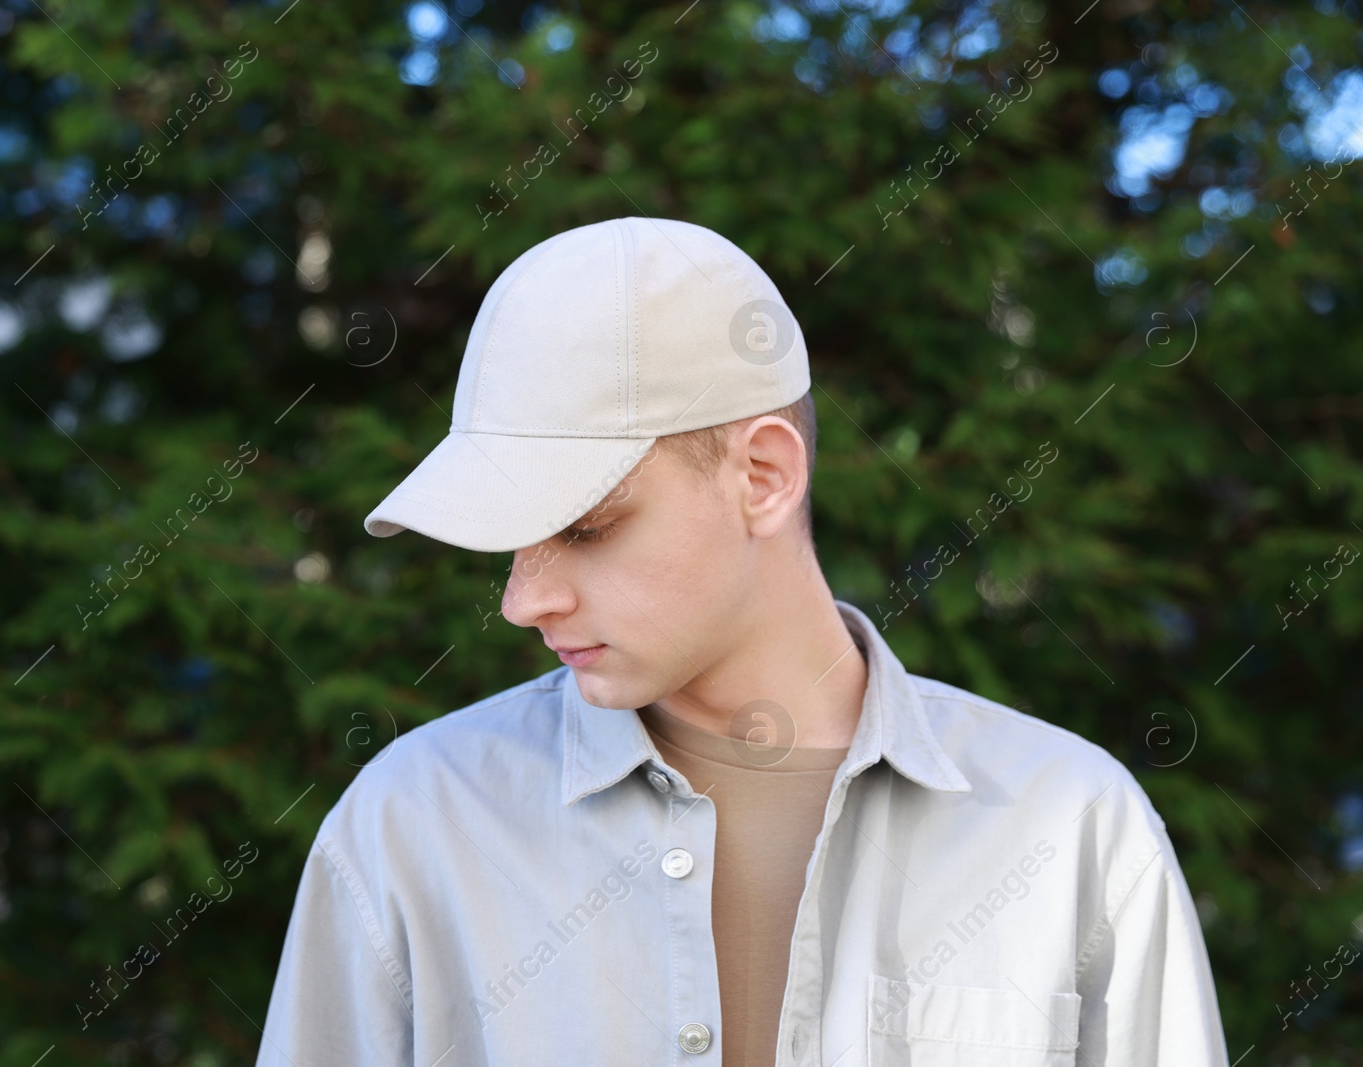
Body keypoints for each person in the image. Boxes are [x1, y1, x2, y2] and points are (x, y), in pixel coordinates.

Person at [254, 217, 1230, 1065]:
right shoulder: (412, 826)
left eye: (587, 526)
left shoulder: (1068, 828)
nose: (523, 597)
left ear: (761, 474)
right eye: (513, 535)